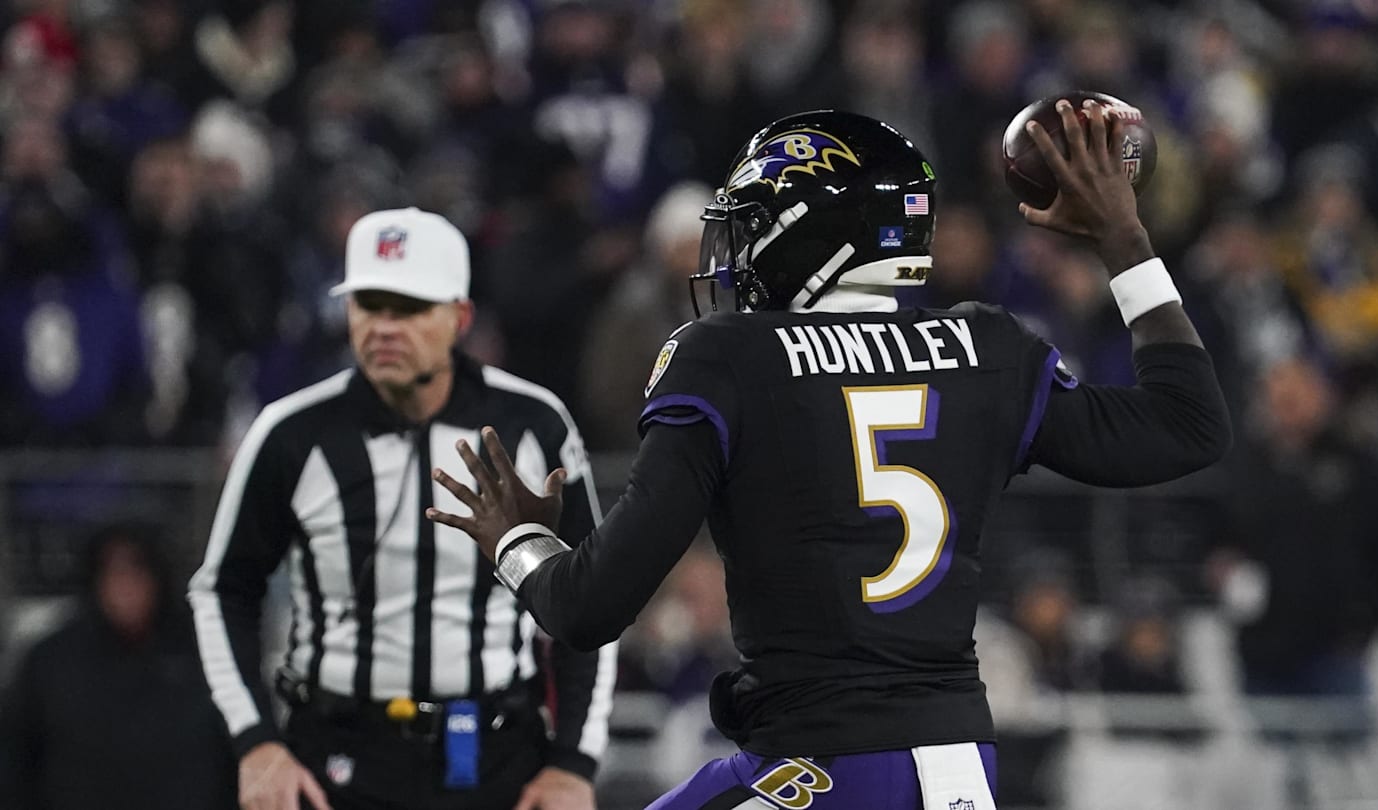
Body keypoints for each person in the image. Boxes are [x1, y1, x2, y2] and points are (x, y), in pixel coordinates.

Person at [428, 106, 1231, 809]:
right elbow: (1189, 426)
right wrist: (1124, 239)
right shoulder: (987, 346)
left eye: (754, 224)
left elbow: (587, 607)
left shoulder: (727, 357)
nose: (736, 250)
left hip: (825, 764)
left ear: (812, 231)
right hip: (961, 765)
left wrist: (515, 540)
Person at [188, 206, 615, 810]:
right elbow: (223, 590)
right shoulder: (290, 433)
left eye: (410, 308)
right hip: (334, 758)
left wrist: (574, 763)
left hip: (496, 758)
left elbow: (589, 599)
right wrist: (256, 741)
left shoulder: (533, 425)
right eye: (369, 304)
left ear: (459, 318)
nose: (384, 327)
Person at [0, 523, 236, 810]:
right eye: (112, 571)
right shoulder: (50, 662)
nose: (125, 586)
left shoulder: (208, 656)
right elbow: (16, 764)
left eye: (137, 569)